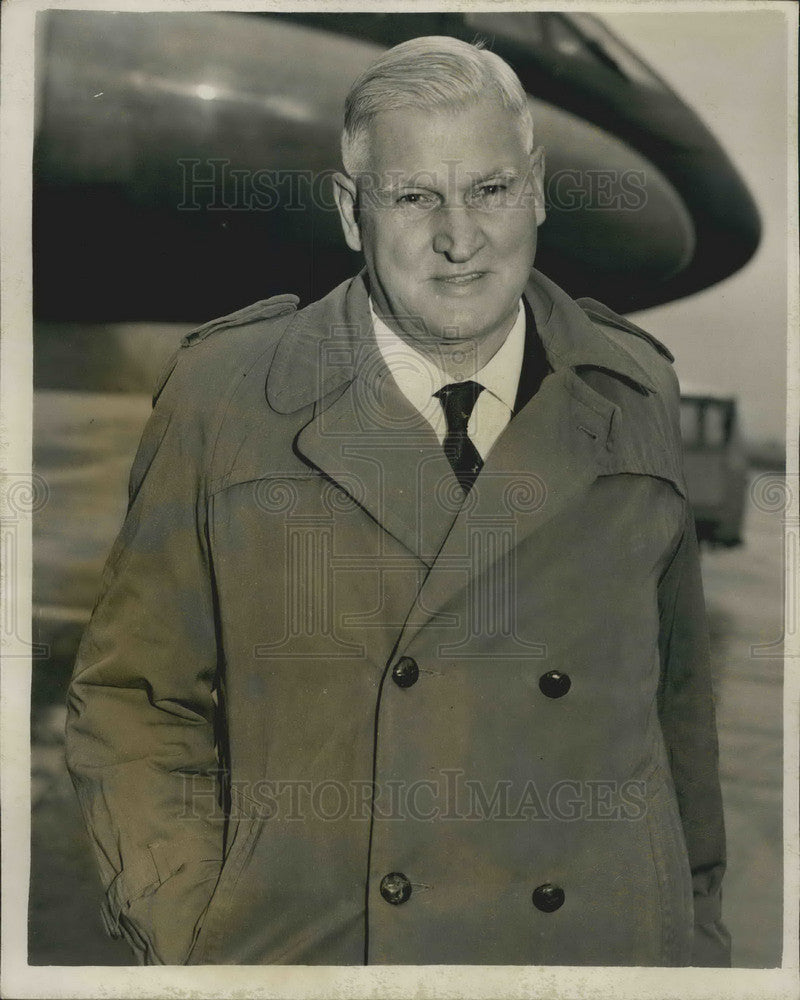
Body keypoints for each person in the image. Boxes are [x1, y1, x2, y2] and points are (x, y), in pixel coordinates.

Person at [65, 35, 730, 967]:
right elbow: (135, 699)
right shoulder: (228, 398)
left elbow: (680, 717)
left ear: (534, 187)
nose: (461, 238)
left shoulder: (632, 391)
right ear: (351, 210)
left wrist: (693, 952)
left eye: (490, 190)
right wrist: (190, 935)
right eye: (415, 197)